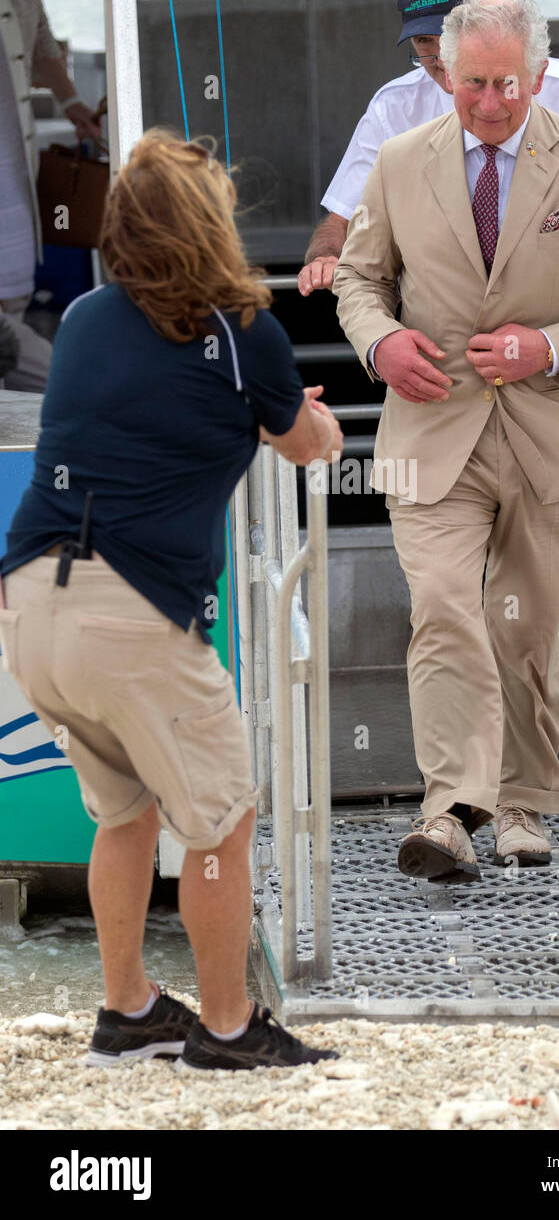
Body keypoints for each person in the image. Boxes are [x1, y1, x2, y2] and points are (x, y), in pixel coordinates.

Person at [0, 130, 343, 1070]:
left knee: (123, 813)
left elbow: (148, 406)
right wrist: (315, 423)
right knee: (223, 816)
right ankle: (229, 1028)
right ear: (209, 225)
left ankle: (128, 1012)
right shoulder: (247, 331)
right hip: (135, 611)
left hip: (30, 598)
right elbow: (303, 441)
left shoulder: (82, 322)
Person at [333, 0, 559, 879]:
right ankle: (450, 811)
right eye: (472, 83)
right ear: (446, 72)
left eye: (507, 84)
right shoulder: (400, 160)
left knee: (522, 626)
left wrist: (550, 345)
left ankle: (522, 801)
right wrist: (380, 341)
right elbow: (359, 281)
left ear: (537, 74)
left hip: (548, 433)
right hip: (430, 431)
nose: (489, 102)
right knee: (444, 611)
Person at [299, 0, 559, 296]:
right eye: (424, 42)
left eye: (446, 35)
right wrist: (325, 259)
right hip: (442, 320)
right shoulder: (392, 107)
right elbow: (340, 220)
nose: (439, 58)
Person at [0, 0, 102, 393]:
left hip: (12, 132)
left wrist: (72, 104)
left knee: (13, 275)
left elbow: (39, 35)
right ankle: (73, 386)